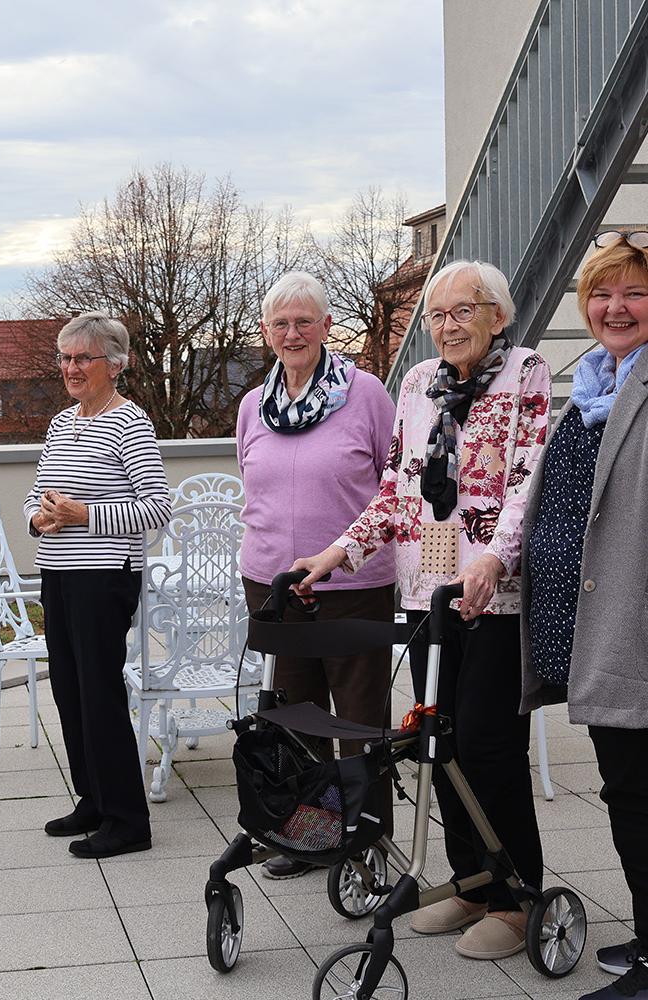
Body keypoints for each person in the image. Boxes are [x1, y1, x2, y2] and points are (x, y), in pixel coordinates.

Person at [293, 260, 551, 960]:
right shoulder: (415, 383)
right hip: (424, 587)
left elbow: (527, 480)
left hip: (491, 594)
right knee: (440, 744)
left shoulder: (525, 373)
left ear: (497, 315)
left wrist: (496, 557)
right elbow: (394, 489)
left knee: (492, 745)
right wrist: (338, 552)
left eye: (463, 311)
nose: (448, 326)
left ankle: (517, 897)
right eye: (437, 315)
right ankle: (470, 883)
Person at [520, 232, 648, 1000]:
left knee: (641, 790)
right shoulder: (595, 384)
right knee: (627, 788)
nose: (615, 306)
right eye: (602, 293)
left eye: (633, 291)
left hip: (637, 626)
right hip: (598, 629)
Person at [237, 271, 397, 880]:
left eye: (305, 321)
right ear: (266, 334)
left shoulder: (367, 395)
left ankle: (366, 841)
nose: (293, 332)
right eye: (280, 323)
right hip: (273, 585)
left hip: (352, 586)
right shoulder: (254, 405)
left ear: (328, 326)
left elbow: (394, 487)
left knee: (357, 721)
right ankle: (308, 834)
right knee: (295, 715)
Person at [24, 312, 170, 860]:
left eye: (83, 357)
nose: (71, 367)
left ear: (115, 364)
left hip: (104, 576)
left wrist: (84, 515)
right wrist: (37, 519)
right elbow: (35, 496)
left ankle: (128, 820)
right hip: (58, 573)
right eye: (65, 358)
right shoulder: (62, 424)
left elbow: (156, 508)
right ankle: (94, 799)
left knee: (100, 694)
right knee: (69, 691)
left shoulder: (129, 423)